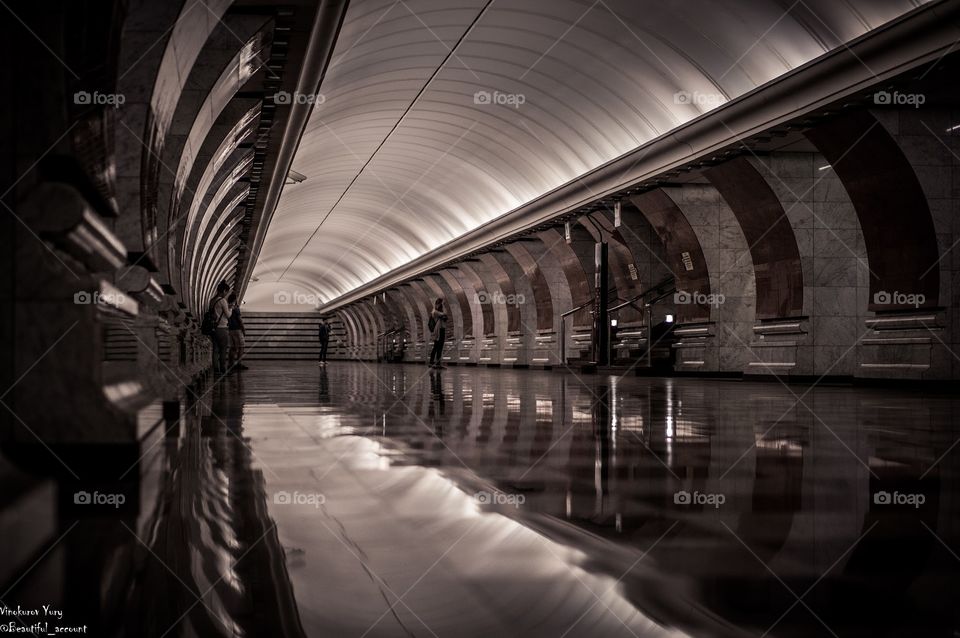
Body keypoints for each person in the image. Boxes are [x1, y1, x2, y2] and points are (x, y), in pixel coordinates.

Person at [209, 282, 231, 377]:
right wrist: (231, 309)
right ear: (224, 290)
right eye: (227, 291)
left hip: (214, 328)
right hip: (222, 328)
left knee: (215, 350)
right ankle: (223, 370)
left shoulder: (212, 300)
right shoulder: (223, 301)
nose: (227, 294)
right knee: (223, 349)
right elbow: (228, 315)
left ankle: (216, 371)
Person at [227, 293, 248, 373]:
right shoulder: (236, 308)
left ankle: (230, 364)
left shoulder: (228, 307)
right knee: (241, 346)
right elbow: (240, 320)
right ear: (235, 299)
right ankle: (238, 364)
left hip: (230, 330)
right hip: (237, 330)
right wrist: (243, 329)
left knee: (233, 347)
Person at [428, 298, 447, 369]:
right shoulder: (435, 312)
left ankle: (435, 363)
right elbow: (445, 314)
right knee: (437, 347)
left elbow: (445, 316)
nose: (442, 306)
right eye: (441, 304)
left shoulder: (438, 312)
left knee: (438, 347)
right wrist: (443, 305)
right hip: (438, 331)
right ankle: (434, 363)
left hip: (441, 330)